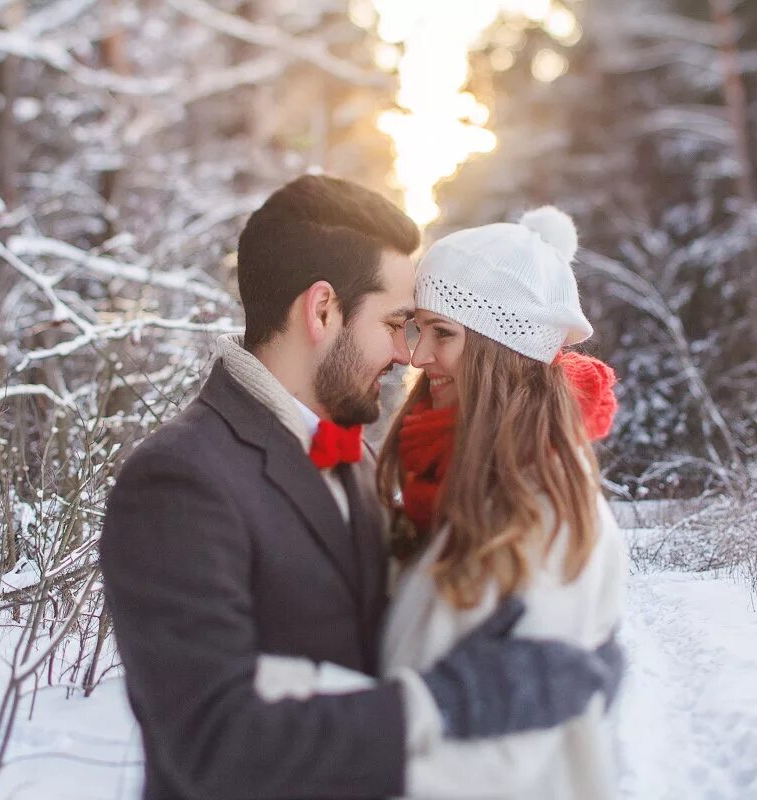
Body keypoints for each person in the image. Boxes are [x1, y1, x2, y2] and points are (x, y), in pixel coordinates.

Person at [99, 175, 624, 800]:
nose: (409, 355)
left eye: (432, 330)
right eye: (399, 323)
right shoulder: (181, 480)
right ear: (323, 310)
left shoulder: (356, 460)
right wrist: (445, 703)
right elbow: (214, 740)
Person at [262, 205, 627, 798]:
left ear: (501, 347)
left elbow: (504, 762)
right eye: (417, 329)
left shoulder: (545, 508)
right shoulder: (457, 481)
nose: (417, 355)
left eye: (443, 333)